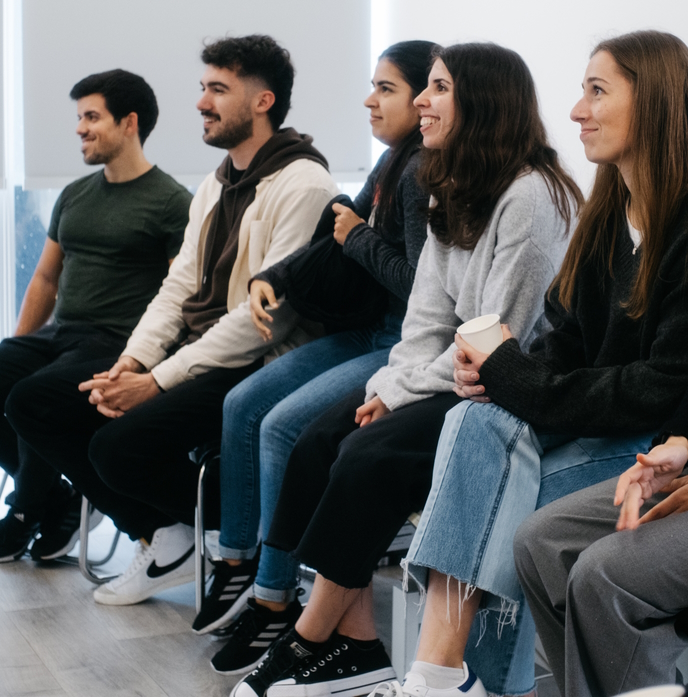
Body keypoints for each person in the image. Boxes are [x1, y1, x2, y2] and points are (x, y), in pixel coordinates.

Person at [380, 30, 688, 697]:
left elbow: (662, 392)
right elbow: (564, 341)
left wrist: (508, 374)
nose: (576, 110)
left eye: (596, 91)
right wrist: (495, 373)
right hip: (615, 428)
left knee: (506, 501)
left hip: (685, 439)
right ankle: (444, 678)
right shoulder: (610, 213)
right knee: (474, 424)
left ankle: (454, 681)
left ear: (658, 103)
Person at [231, 41, 583, 697]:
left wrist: (398, 394)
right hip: (453, 375)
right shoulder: (448, 186)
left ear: (482, 102)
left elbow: (493, 335)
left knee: (367, 454)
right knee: (317, 441)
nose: (422, 100)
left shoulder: (532, 196)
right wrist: (390, 386)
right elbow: (426, 318)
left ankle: (311, 636)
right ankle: (355, 642)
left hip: (506, 390)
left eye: (438, 88)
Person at [7, 34, 338, 605]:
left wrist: (156, 380)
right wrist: (134, 363)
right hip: (193, 348)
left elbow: (267, 321)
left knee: (113, 447)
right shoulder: (217, 182)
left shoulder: (304, 183)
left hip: (253, 360)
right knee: (64, 412)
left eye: (217, 89)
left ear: (262, 101)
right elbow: (179, 286)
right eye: (203, 87)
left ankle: (231, 540)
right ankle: (175, 534)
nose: (201, 102)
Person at [514, 83, 688, 697]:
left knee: (607, 572)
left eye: (597, 91)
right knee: (542, 541)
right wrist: (676, 445)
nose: (577, 110)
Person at [194, 41, 436, 677]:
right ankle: (237, 563)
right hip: (367, 331)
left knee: (279, 426)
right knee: (242, 403)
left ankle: (275, 595)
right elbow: (337, 230)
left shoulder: (421, 174)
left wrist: (356, 239)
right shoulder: (392, 163)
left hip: (397, 344)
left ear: (424, 97)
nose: (369, 99)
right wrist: (272, 274)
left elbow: (418, 286)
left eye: (385, 88)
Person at [0, 69, 191, 562]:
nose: (80, 128)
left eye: (92, 116)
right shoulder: (74, 196)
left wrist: (146, 364)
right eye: (79, 117)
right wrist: (19, 349)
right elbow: (45, 279)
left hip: (117, 344)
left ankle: (30, 511)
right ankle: (51, 499)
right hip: (60, 335)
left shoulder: (171, 203)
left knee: (33, 398)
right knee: (8, 373)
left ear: (129, 123)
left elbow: (180, 293)